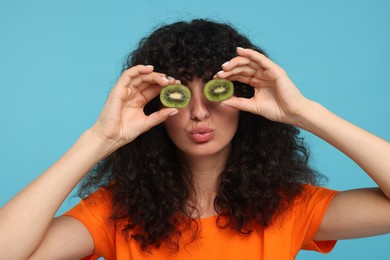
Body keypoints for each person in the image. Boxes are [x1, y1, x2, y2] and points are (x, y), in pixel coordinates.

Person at [0, 19, 389, 260]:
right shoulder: (115, 215)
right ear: (157, 106)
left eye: (217, 92)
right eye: (181, 95)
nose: (199, 113)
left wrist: (302, 112)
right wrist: (100, 138)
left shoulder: (288, 208)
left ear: (244, 98)